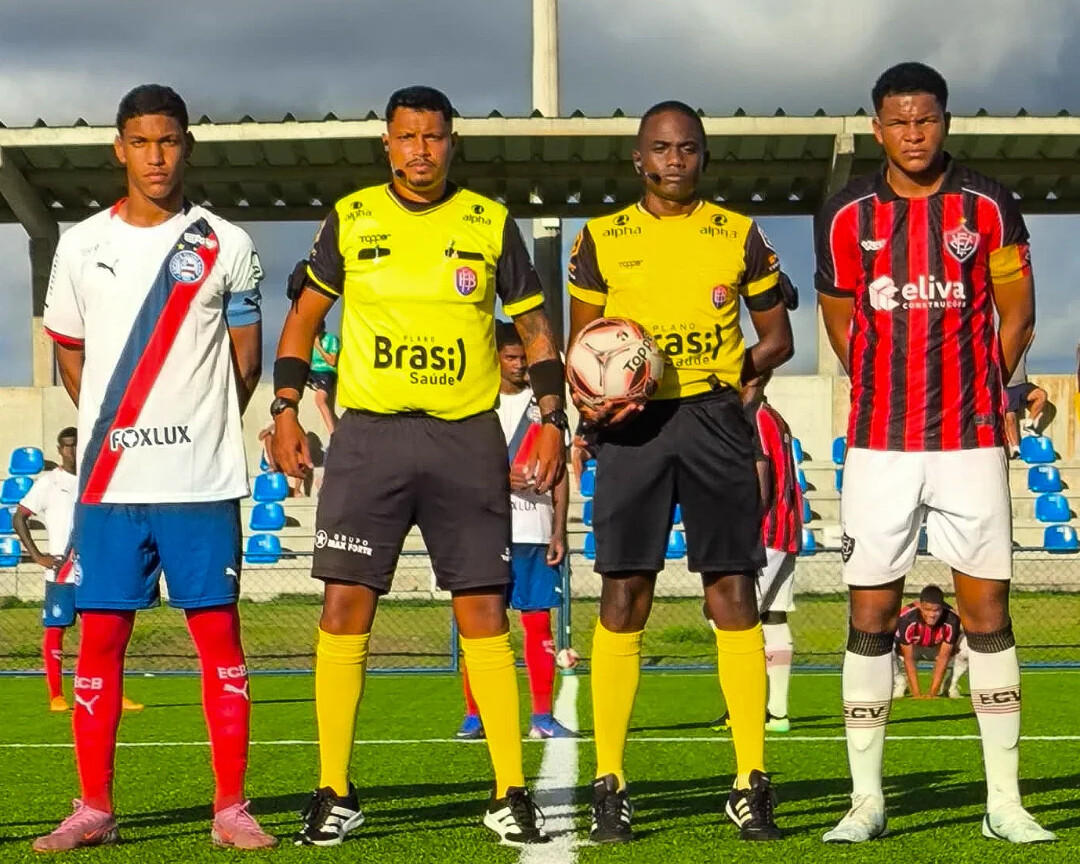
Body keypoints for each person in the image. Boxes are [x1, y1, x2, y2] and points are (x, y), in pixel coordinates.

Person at [271, 85, 565, 848]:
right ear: (388, 143)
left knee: (484, 614)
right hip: (370, 439)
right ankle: (334, 787)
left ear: (451, 143)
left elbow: (534, 328)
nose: (421, 150)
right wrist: (284, 409)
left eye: (434, 137)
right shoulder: (353, 216)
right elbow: (305, 316)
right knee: (343, 610)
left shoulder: (489, 222)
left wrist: (553, 419)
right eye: (408, 137)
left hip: (465, 439)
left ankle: (509, 789)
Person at [815, 62, 1054, 844]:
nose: (914, 135)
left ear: (945, 121)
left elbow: (1016, 310)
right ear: (877, 126)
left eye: (927, 120)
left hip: (971, 439)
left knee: (986, 612)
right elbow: (841, 317)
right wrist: (880, 385)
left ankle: (1005, 802)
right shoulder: (848, 213)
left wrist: (991, 385)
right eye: (898, 122)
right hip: (882, 442)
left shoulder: (985, 203)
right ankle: (867, 801)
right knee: (870, 612)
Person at [33, 85, 275, 851]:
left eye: (169, 141)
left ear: (187, 147)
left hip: (200, 483)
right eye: (142, 142)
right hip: (111, 485)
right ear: (120, 148)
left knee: (220, 643)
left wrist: (196, 424)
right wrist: (119, 425)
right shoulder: (79, 245)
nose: (157, 156)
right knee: (99, 641)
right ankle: (94, 807)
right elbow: (69, 352)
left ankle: (231, 807)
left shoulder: (225, 242)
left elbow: (246, 359)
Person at [567, 99, 794, 844]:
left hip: (713, 419)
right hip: (634, 430)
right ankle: (610, 781)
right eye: (661, 148)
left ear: (704, 156)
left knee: (731, 588)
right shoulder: (600, 238)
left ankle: (750, 779)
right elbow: (584, 346)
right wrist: (601, 398)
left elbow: (778, 337)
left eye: (688, 148)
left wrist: (730, 373)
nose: (674, 160)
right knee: (624, 589)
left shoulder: (740, 235)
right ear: (638, 158)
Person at [456, 322, 574, 741]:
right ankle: (475, 714)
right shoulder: (475, 402)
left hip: (535, 530)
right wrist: (499, 480)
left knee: (537, 624)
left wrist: (559, 531)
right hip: (484, 530)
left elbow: (561, 472)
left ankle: (542, 716)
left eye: (524, 357)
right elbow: (456, 464)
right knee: (480, 626)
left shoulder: (548, 407)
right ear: (495, 358)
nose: (520, 365)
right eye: (511, 357)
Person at [13, 428, 143, 714]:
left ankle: (110, 692)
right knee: (56, 629)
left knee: (105, 634)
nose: (72, 451)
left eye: (76, 445)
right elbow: (19, 517)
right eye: (67, 446)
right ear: (60, 450)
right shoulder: (49, 482)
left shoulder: (95, 478)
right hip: (62, 570)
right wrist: (37, 556)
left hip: (96, 569)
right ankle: (56, 695)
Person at [711, 370, 802, 734]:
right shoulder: (776, 418)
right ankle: (778, 712)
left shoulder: (752, 419)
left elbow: (759, 472)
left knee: (725, 615)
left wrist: (744, 525)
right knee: (775, 618)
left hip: (762, 533)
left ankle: (742, 707)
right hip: (785, 529)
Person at [892, 585, 969, 700]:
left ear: (942, 607)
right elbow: (908, 659)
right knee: (885, 644)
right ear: (920, 606)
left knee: (968, 645)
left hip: (937, 650)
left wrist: (932, 693)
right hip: (914, 649)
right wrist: (916, 694)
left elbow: (943, 658)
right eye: (927, 610)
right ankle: (900, 683)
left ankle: (950, 685)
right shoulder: (907, 618)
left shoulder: (952, 618)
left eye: (937, 610)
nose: (932, 615)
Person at [1003, 350, 1047, 458]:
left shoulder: (1021, 347)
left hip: (1022, 385)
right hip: (1007, 387)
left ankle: (1029, 423)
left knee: (1041, 395)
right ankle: (1016, 449)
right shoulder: (999, 349)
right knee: (1010, 418)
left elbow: (1030, 335)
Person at [308, 320, 341, 438]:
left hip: (326, 371)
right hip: (313, 372)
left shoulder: (331, 339)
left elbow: (332, 362)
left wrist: (318, 347)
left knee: (320, 400)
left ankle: (333, 434)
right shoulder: (309, 340)